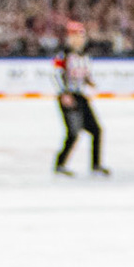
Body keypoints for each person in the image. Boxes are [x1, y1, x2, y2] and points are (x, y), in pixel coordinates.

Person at [54, 21, 107, 176]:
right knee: (73, 132)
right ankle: (60, 164)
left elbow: (83, 73)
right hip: (68, 96)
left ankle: (96, 165)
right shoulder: (63, 54)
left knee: (96, 130)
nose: (79, 39)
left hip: (80, 95)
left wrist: (88, 81)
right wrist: (64, 93)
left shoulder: (84, 55)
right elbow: (55, 75)